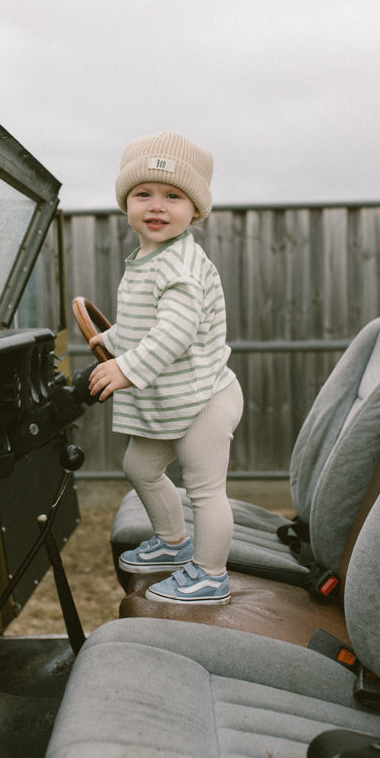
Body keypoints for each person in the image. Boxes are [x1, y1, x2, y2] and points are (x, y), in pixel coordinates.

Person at [88, 131, 243, 605]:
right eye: (143, 194)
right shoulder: (146, 259)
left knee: (204, 486)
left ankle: (210, 574)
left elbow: (175, 333)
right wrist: (111, 340)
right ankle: (174, 543)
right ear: (126, 204)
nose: (156, 205)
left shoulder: (181, 265)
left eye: (172, 196)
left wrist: (127, 368)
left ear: (195, 210)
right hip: (171, 393)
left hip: (204, 398)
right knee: (140, 465)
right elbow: (145, 325)